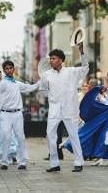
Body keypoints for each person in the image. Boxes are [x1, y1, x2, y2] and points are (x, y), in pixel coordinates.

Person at [39, 43, 89, 173]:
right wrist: (52, 97)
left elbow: (85, 68)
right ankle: (54, 164)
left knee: (73, 135)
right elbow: (43, 89)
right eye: (50, 58)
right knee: (50, 135)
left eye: (54, 58)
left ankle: (78, 162)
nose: (51, 60)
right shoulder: (46, 74)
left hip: (69, 108)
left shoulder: (71, 71)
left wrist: (82, 53)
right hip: (54, 108)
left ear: (61, 60)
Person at [64, 69, 108, 166]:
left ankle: (100, 156)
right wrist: (99, 95)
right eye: (107, 75)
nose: (106, 77)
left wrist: (100, 89)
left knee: (105, 134)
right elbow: (106, 100)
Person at [0, 60, 39, 171]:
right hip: (5, 114)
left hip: (18, 114)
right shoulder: (2, 83)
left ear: (13, 69)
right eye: (7, 68)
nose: (9, 70)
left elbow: (30, 88)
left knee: (21, 137)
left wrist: (40, 82)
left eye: (11, 68)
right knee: (6, 137)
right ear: (4, 70)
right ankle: (4, 162)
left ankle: (23, 162)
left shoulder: (17, 84)